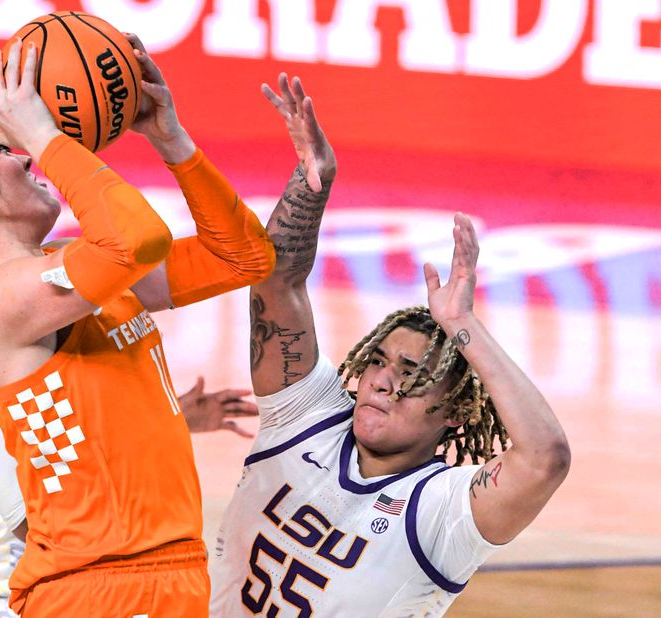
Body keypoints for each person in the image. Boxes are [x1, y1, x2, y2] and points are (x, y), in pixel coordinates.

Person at [0, 34, 274, 618]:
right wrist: (46, 134)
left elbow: (242, 257)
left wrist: (171, 140)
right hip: (95, 587)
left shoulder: (68, 271)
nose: (26, 156)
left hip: (161, 573)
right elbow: (138, 240)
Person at [209, 74, 571, 617]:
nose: (381, 378)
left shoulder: (442, 510)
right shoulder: (308, 417)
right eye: (378, 360)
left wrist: (462, 324)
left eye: (410, 372)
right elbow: (275, 281)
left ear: (455, 411)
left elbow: (545, 458)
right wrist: (314, 182)